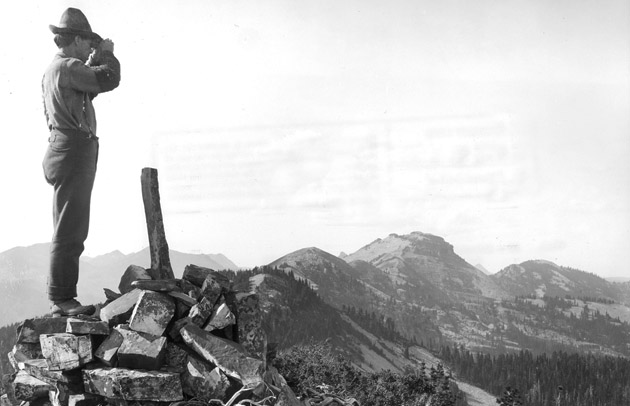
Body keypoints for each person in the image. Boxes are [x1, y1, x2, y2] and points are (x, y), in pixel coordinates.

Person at [42, 8, 121, 316]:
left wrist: (92, 60)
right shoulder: (69, 67)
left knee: (69, 225)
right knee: (70, 229)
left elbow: (84, 90)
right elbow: (108, 79)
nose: (90, 46)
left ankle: (61, 297)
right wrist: (108, 55)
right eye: (87, 41)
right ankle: (61, 299)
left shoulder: (57, 70)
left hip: (63, 150)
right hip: (74, 152)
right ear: (74, 40)